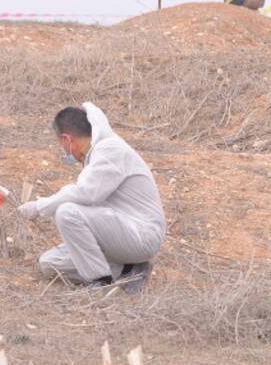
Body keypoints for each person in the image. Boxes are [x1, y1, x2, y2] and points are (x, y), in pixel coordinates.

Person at [19, 103, 166, 293]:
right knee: (49, 263)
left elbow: (85, 193)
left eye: (63, 147)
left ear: (66, 139)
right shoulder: (97, 152)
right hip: (119, 233)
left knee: (67, 212)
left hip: (141, 235)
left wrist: (40, 207)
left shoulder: (110, 150)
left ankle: (100, 282)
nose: (66, 153)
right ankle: (128, 270)